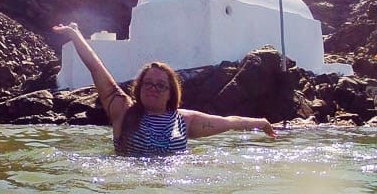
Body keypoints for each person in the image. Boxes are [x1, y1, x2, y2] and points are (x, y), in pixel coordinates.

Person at [53, 22, 276, 156]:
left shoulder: (185, 121)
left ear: (171, 93)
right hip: (129, 187)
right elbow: (95, 68)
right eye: (148, 83)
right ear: (139, 88)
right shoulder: (123, 110)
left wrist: (261, 122)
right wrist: (75, 35)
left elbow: (230, 122)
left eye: (161, 85)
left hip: (170, 191)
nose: (154, 88)